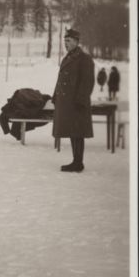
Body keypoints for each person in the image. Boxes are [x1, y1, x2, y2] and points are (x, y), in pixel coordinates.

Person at [52, 29, 95, 173]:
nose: (66, 44)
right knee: (72, 131)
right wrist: (55, 96)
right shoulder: (68, 57)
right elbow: (61, 79)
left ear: (76, 42)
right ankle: (76, 161)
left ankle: (78, 163)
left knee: (78, 133)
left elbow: (87, 82)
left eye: (69, 41)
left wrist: (80, 100)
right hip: (67, 102)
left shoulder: (84, 59)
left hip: (77, 103)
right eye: (65, 41)